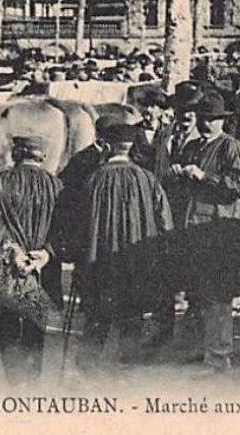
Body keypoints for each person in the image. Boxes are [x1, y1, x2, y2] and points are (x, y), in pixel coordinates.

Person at [74, 121, 174, 367]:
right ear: (131, 148)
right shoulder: (148, 179)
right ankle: (127, 364)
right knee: (133, 312)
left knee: (97, 314)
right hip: (137, 261)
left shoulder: (93, 179)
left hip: (101, 261)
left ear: (107, 146)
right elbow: (165, 223)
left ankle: (87, 366)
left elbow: (79, 223)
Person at [172, 92, 240, 371]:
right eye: (204, 119)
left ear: (222, 121)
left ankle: (219, 356)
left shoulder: (231, 147)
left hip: (220, 230)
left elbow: (239, 186)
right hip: (195, 228)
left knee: (218, 296)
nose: (207, 124)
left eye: (213, 119)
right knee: (198, 293)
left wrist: (205, 176)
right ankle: (198, 350)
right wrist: (179, 173)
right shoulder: (193, 145)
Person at [0, 136, 64, 386]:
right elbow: (63, 230)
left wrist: (15, 253)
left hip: (7, 268)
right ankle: (32, 382)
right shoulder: (57, 186)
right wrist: (46, 254)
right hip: (42, 269)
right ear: (43, 157)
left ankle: (13, 383)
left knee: (6, 327)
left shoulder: (0, 183)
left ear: (17, 154)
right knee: (35, 329)